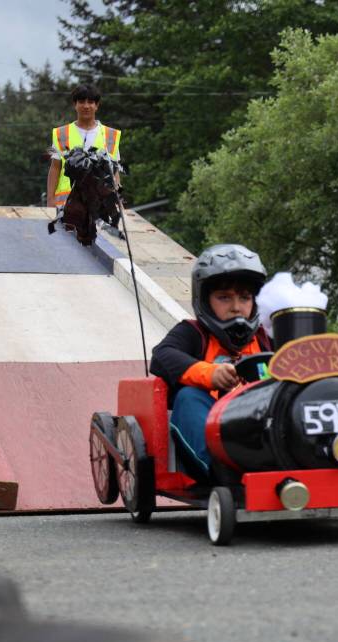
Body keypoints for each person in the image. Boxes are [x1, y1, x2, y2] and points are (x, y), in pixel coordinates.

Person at [149, 244, 271, 482]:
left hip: (262, 426)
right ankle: (224, 473)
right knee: (188, 397)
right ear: (205, 300)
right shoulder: (192, 332)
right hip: (214, 428)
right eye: (224, 298)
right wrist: (211, 374)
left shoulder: (266, 338)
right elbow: (162, 355)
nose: (236, 307)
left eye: (245, 297)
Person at [47, 84, 121, 208]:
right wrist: (50, 200)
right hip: (66, 207)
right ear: (75, 105)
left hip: (100, 208)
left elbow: (115, 173)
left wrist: (118, 201)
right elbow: (55, 168)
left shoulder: (110, 135)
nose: (86, 106)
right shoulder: (62, 134)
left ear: (96, 105)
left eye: (91, 102)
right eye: (81, 102)